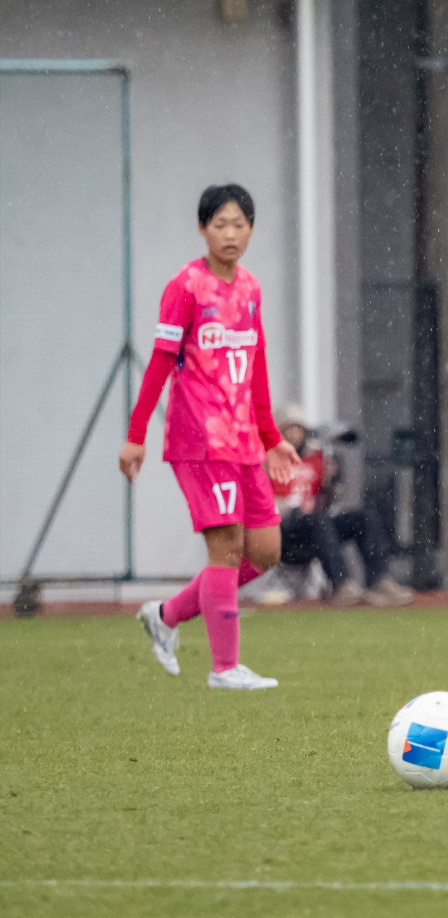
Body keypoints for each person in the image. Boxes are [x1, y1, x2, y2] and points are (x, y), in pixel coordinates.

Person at [120, 183, 301, 690]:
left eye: (239, 224)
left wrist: (270, 437)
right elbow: (160, 362)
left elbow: (256, 366)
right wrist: (136, 435)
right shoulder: (186, 287)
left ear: (251, 230)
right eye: (219, 224)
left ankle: (166, 615)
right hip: (198, 439)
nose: (229, 234)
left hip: (244, 441)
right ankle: (225, 668)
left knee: (263, 552)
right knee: (224, 548)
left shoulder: (250, 288)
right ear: (202, 229)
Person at [272, 406, 413, 607]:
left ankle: (379, 579)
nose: (294, 435)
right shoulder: (267, 461)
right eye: (289, 430)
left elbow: (327, 503)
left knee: (363, 518)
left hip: (317, 528)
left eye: (298, 429)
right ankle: (341, 584)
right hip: (284, 533)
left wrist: (332, 483)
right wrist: (291, 509)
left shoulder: (317, 459)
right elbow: (262, 504)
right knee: (316, 520)